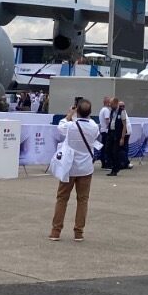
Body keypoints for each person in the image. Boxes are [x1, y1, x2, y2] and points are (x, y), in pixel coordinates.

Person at [50, 99, 100, 241]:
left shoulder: (71, 125)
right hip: (85, 168)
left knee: (62, 198)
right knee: (83, 200)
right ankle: (79, 232)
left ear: (77, 110)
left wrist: (69, 114)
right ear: (90, 112)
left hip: (69, 167)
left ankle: (56, 231)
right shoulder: (94, 127)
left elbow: (60, 127)